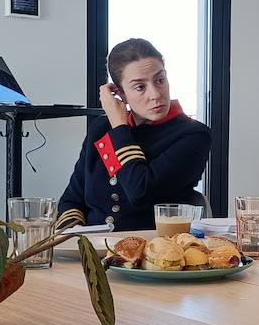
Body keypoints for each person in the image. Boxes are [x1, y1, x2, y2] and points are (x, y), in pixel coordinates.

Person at [56, 38, 211, 232]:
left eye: (160, 80)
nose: (155, 94)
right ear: (120, 93)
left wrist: (120, 127)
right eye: (140, 87)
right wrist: (73, 242)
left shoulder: (194, 134)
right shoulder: (101, 128)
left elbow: (140, 192)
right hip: (92, 250)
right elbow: (72, 200)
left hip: (153, 252)